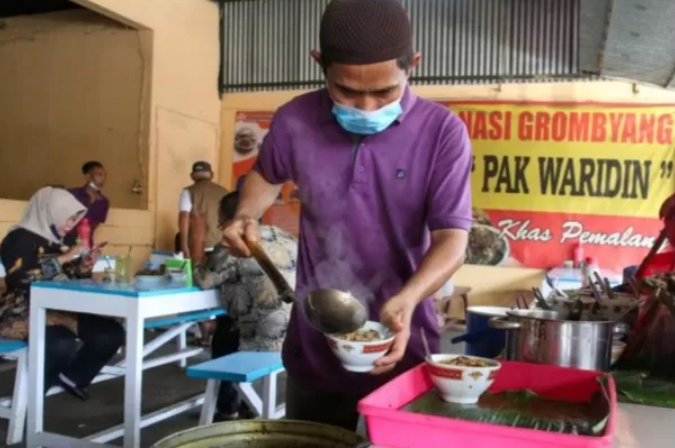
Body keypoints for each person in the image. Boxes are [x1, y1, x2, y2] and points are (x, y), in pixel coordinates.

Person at [221, 0, 471, 431]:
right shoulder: (295, 118)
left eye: (385, 92)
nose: (367, 107)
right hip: (315, 342)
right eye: (347, 92)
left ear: (413, 64)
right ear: (319, 63)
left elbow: (453, 239)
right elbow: (265, 175)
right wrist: (246, 213)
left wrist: (409, 298)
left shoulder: (441, 132)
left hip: (402, 341)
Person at [0, 187, 124, 401]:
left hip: (59, 308)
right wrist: (65, 257)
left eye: (74, 220)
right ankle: (31, 401)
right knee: (61, 345)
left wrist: (83, 266)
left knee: (110, 333)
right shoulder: (18, 238)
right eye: (68, 219)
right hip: (23, 310)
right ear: (50, 212)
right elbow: (20, 279)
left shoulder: (57, 240)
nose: (70, 225)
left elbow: (65, 277)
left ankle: (71, 378)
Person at [193, 191, 297, 421]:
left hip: (266, 340)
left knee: (226, 329)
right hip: (296, 334)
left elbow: (202, 279)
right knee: (234, 320)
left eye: (220, 223)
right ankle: (240, 401)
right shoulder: (285, 236)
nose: (221, 228)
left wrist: (197, 238)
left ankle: (228, 409)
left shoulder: (233, 244)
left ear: (230, 221)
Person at [179, 161, 229, 262]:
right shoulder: (225, 192)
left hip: (197, 245)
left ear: (192, 176)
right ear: (212, 175)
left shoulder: (188, 191)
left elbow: (184, 216)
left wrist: (184, 246)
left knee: (197, 271)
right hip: (221, 245)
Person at [65, 161, 110, 247]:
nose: (103, 178)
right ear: (88, 177)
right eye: (99, 175)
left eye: (105, 175)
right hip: (64, 245)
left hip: (86, 246)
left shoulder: (103, 201)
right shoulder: (72, 194)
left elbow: (93, 227)